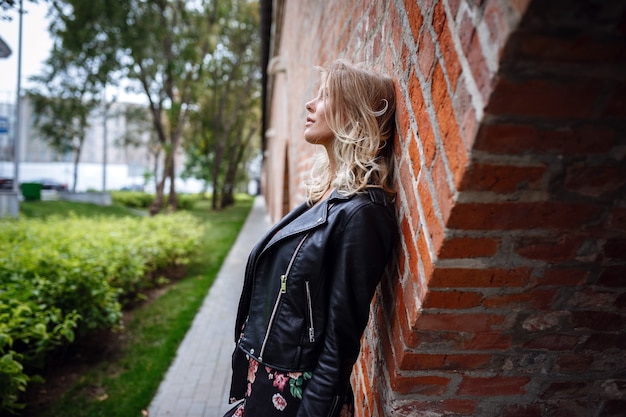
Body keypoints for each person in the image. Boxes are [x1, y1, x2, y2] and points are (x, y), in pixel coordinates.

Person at [225, 59, 398, 417]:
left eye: (325, 96)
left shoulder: (362, 214)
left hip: (297, 398)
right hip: (267, 380)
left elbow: (341, 340)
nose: (310, 104)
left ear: (353, 114)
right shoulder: (326, 196)